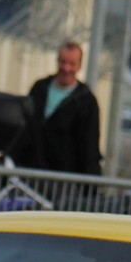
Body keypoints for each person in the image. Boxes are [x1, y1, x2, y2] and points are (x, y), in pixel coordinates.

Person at [9, 41, 103, 175]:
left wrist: (89, 187)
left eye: (72, 64)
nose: (66, 68)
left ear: (80, 66)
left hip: (63, 180)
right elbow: (24, 128)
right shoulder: (39, 88)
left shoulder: (86, 102)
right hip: (29, 171)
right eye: (63, 62)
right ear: (57, 61)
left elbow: (89, 146)